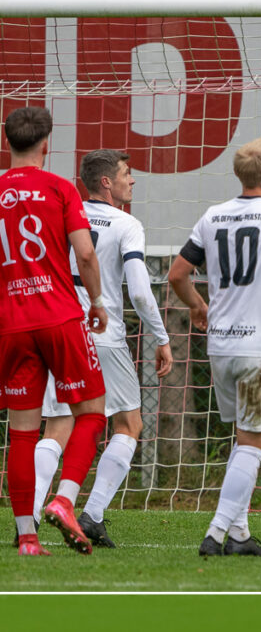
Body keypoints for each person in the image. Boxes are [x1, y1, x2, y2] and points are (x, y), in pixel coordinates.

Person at [168, 136, 261, 556]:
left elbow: (177, 274)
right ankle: (216, 533)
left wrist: (197, 305)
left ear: (239, 174)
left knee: (244, 439)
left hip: (222, 347)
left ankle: (239, 535)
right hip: (260, 351)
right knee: (255, 442)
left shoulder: (213, 216)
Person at [29, 150, 173, 549]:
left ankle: (30, 517)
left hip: (60, 330)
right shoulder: (126, 224)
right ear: (107, 182)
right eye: (127, 174)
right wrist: (161, 337)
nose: (133, 180)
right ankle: (91, 514)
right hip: (103, 333)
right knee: (128, 424)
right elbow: (140, 292)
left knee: (57, 426)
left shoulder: (62, 216)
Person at [0, 106, 108, 556]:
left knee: (22, 432)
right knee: (93, 412)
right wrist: (97, 300)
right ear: (46, 144)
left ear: (7, 142)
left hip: (12, 323)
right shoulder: (61, 188)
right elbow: (85, 253)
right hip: (60, 316)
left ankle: (27, 538)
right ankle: (64, 500)